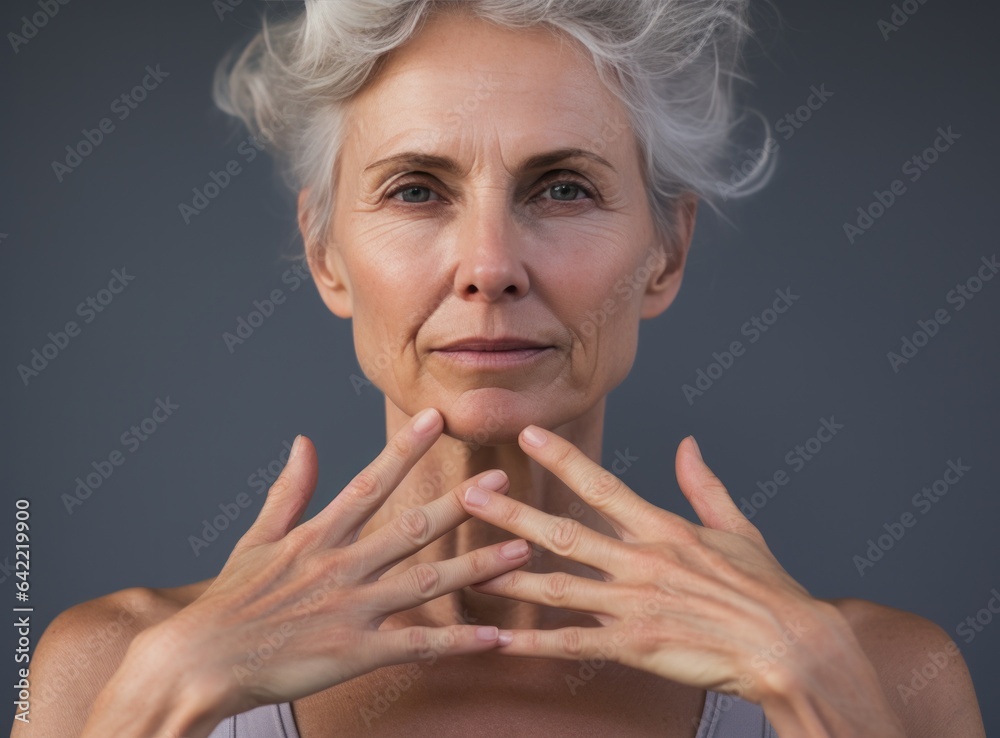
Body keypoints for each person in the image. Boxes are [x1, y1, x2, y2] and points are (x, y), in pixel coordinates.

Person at [17, 1, 986, 737]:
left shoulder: (887, 672)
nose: (488, 266)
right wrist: (152, 705)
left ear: (667, 254)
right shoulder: (109, 664)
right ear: (324, 253)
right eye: (414, 189)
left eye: (562, 188)